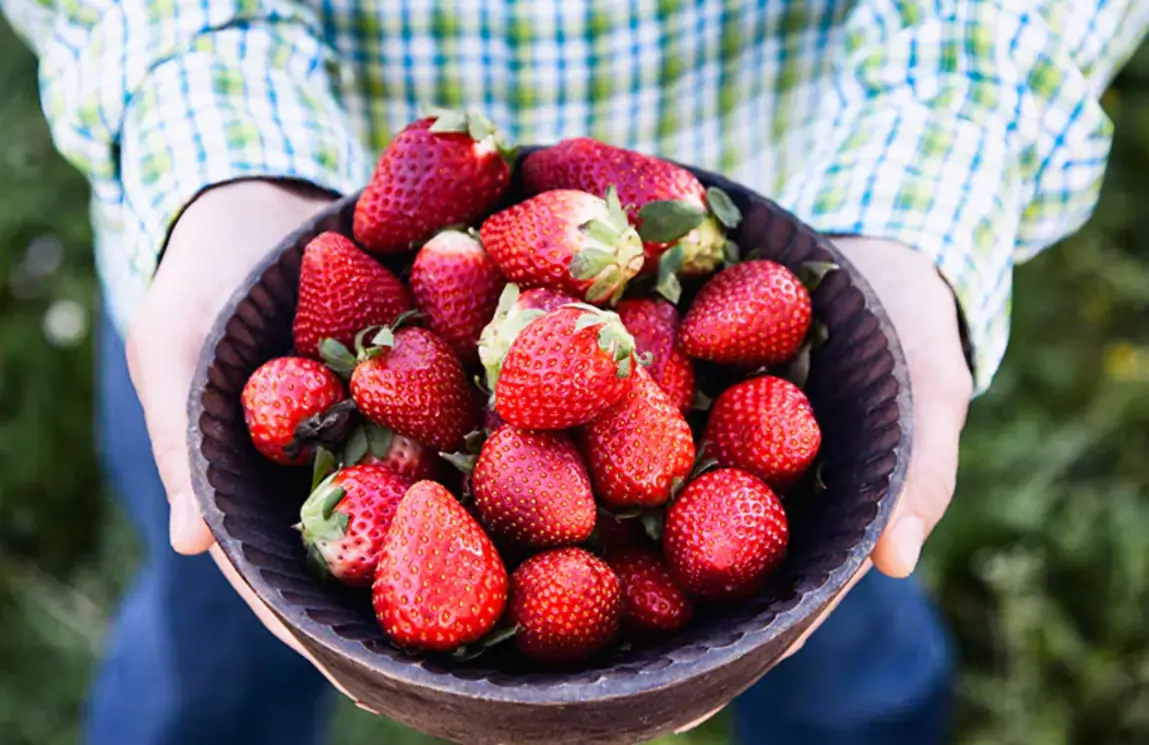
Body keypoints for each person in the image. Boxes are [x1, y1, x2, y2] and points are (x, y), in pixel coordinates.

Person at [4, 1, 1147, 743]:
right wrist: (215, 165)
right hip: (242, 225)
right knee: (209, 662)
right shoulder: (407, 369)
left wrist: (924, 199)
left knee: (848, 657)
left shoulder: (677, 379)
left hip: (794, 200)